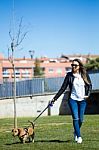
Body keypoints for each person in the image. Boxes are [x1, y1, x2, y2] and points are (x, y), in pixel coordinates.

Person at [51, 58, 92, 144]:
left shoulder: (84, 74)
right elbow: (63, 88)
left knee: (81, 119)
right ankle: (79, 136)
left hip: (82, 100)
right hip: (72, 99)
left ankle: (75, 131)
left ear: (79, 66)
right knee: (75, 118)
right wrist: (55, 98)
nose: (73, 67)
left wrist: (87, 95)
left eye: (75, 65)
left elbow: (89, 85)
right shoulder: (69, 75)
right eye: (72, 65)